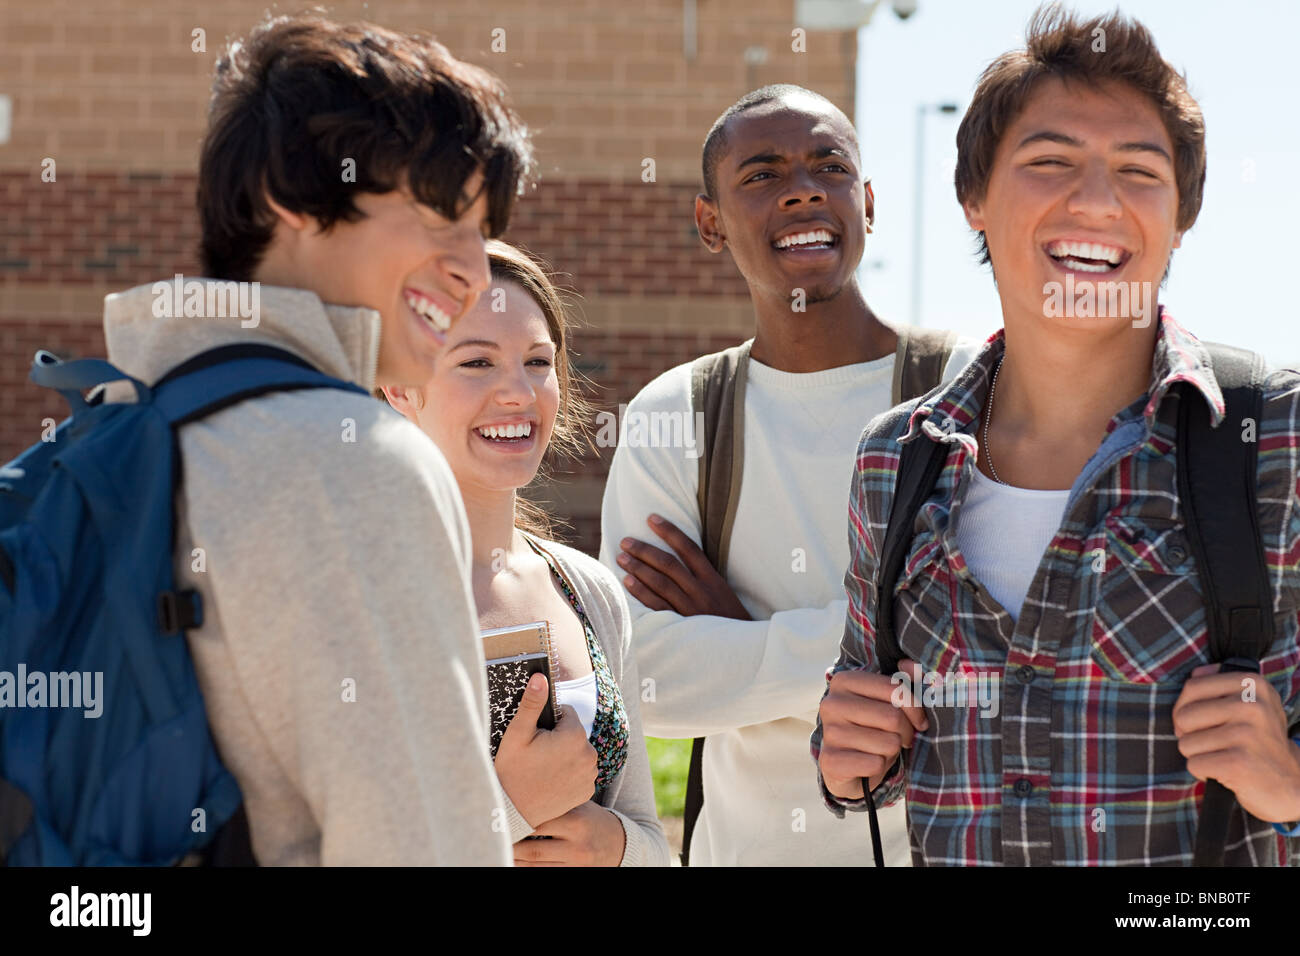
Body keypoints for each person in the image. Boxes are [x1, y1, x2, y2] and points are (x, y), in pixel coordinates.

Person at [813, 4, 1300, 865]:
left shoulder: (1277, 438)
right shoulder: (896, 459)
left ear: (1181, 215)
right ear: (974, 200)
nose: (1097, 201)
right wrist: (851, 755)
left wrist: (1289, 784)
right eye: (1050, 162)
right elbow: (878, 740)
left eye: (1139, 172)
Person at [102, 13, 536, 864]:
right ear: (293, 199)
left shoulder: (125, 415)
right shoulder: (352, 459)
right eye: (439, 216)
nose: (472, 269)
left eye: (482, 234)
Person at [599, 83, 978, 865]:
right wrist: (872, 654)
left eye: (828, 167)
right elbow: (643, 680)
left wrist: (742, 636)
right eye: (763, 174)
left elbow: (999, 640)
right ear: (711, 222)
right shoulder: (680, 411)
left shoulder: (970, 387)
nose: (804, 188)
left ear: (866, 203)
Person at [381, 240, 671, 866]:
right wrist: (508, 809)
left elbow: (655, 842)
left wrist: (614, 847)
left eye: (538, 362)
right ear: (401, 386)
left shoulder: (587, 590)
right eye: (476, 363)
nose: (517, 391)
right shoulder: (357, 594)